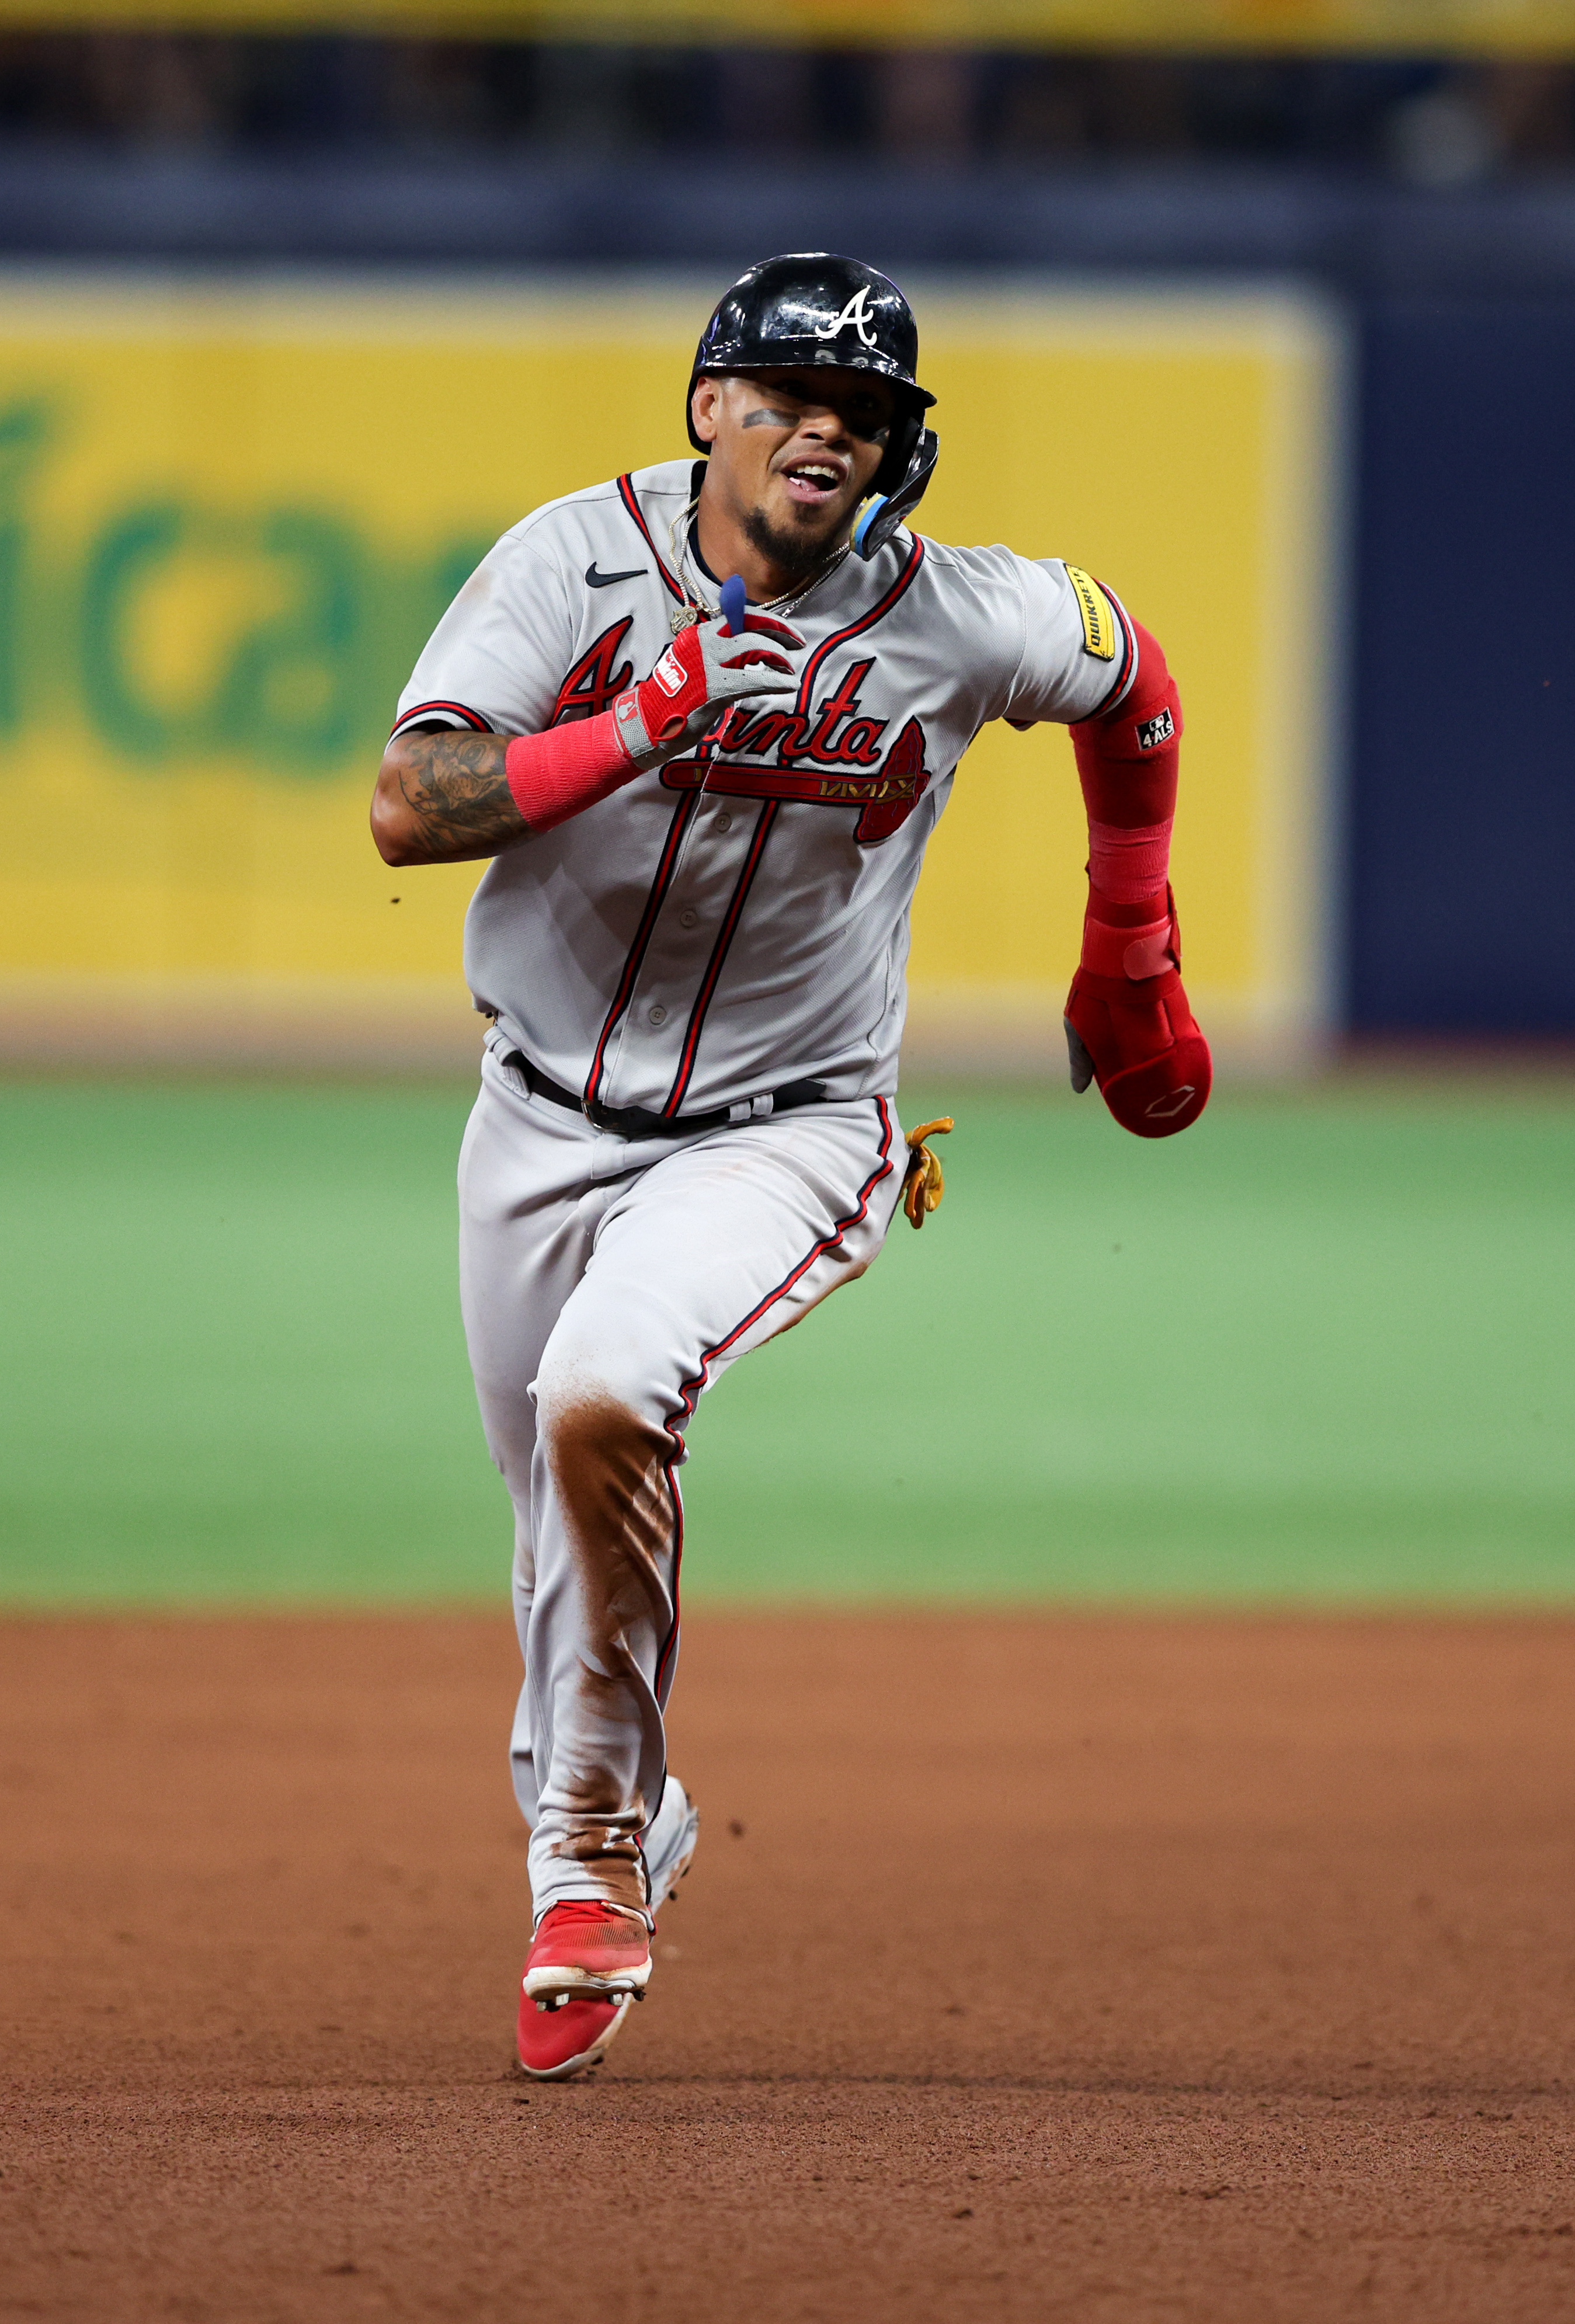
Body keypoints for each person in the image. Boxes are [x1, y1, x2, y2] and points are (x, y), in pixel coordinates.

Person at [371, 252, 1211, 2081]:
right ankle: (618, 1812)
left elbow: (1129, 675)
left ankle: (584, 1859)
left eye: (869, 412)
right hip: (530, 1116)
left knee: (608, 1399)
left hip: (794, 1126)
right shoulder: (570, 564)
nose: (830, 429)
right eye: (790, 395)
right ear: (706, 407)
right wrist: (629, 727)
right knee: (548, 1528)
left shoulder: (961, 614)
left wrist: (1127, 948)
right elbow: (407, 802)